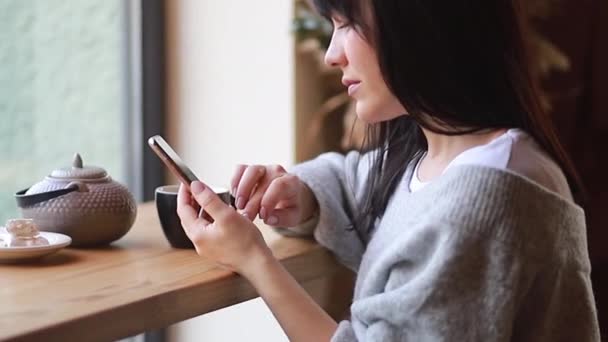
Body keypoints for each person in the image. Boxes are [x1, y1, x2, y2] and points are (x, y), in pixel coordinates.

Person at [176, 0, 601, 340]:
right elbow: (352, 180)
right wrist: (300, 194)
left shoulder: (484, 205)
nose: (331, 55)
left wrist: (253, 258)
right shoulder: (438, 157)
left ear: (421, 24)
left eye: (347, 25)